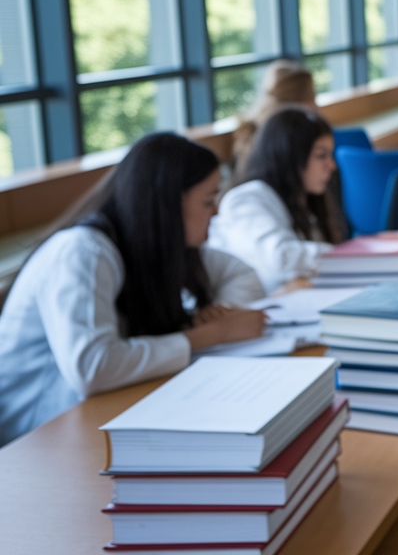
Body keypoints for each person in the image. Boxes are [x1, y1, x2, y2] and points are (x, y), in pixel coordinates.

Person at [0, 133, 267, 445]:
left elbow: (240, 273)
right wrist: (214, 334)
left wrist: (218, 312)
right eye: (208, 201)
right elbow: (93, 368)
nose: (217, 212)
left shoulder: (153, 246)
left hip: (96, 417)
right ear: (167, 203)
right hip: (34, 436)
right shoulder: (83, 251)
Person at [208, 107, 345, 293]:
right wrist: (353, 255)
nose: (332, 165)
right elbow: (281, 258)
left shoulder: (303, 203)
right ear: (290, 156)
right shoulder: (245, 200)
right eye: (321, 155)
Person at [232, 60, 318, 169]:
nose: (316, 105)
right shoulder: (288, 133)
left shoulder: (257, 121)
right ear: (302, 100)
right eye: (312, 95)